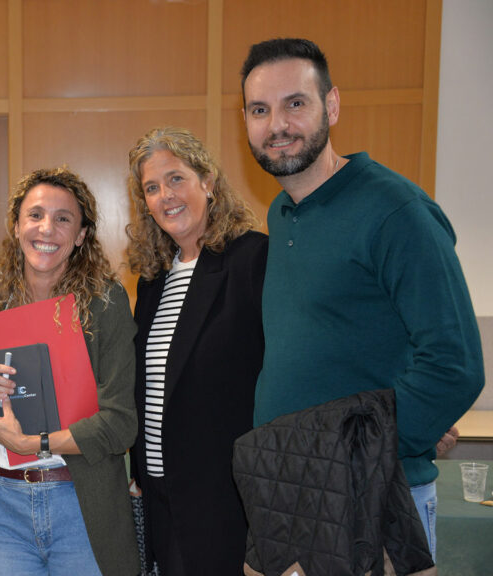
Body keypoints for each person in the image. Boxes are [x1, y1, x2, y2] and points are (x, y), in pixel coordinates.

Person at [240, 37, 484, 558]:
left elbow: (454, 365)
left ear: (331, 105)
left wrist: (382, 447)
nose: (276, 125)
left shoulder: (396, 211)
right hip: (291, 489)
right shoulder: (281, 214)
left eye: (295, 104)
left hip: (373, 497)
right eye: (260, 110)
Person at [0, 167, 139, 575]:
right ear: (16, 225)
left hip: (81, 503)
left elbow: (121, 424)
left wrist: (32, 442)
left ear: (81, 236)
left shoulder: (106, 306)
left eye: (63, 219)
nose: (46, 229)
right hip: (2, 509)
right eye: (35, 215)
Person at [124, 127, 266, 576]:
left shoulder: (251, 260)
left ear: (207, 180)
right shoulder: (153, 279)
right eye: (151, 187)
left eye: (176, 179)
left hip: (225, 499)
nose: (165, 195)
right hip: (161, 498)